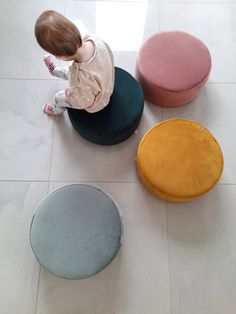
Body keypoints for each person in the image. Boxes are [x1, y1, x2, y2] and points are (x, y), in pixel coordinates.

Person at [35, 10, 115, 115]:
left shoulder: (81, 75)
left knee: (58, 97)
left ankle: (55, 111)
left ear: (62, 57)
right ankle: (54, 71)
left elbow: (86, 101)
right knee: (71, 71)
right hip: (106, 79)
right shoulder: (92, 38)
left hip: (98, 101)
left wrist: (70, 93)